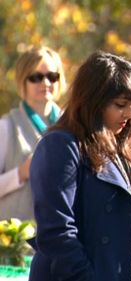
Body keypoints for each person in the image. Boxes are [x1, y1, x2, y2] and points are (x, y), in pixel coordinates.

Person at [28, 51, 131, 280]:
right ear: (94, 101)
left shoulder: (119, 149)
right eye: (120, 104)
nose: (128, 114)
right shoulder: (61, 145)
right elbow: (56, 231)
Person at [0, 46, 66, 220]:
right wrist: (21, 173)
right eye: (36, 77)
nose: (46, 83)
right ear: (23, 81)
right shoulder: (6, 127)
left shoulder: (72, 125)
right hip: (17, 241)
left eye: (52, 76)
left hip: (62, 236)